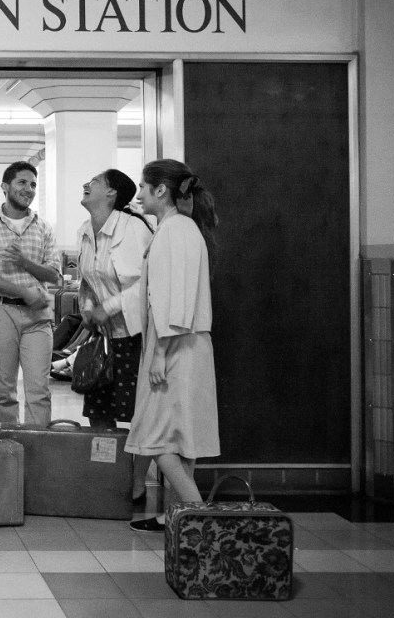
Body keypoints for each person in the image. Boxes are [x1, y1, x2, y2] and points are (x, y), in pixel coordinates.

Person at [125, 159, 220, 533]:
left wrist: (160, 354)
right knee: (182, 437)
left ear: (160, 190)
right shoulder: (180, 228)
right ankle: (173, 518)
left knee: (156, 436)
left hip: (174, 346)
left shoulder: (174, 231)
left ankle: (198, 515)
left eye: (143, 188)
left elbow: (171, 299)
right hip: (185, 343)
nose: (140, 195)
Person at [76, 169, 155, 505]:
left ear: (111, 194)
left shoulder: (133, 228)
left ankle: (137, 483)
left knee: (140, 414)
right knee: (99, 408)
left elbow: (144, 283)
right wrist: (88, 308)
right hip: (104, 338)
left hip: (134, 336)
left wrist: (106, 308)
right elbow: (88, 279)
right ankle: (109, 473)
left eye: (94, 181)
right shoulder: (84, 230)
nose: (86, 184)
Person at [0, 160, 61, 429]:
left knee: (39, 391)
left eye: (32, 184)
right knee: (4, 393)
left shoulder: (43, 227)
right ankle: (11, 450)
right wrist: (23, 291)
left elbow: (54, 274)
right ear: (5, 187)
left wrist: (24, 263)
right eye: (22, 182)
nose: (28, 189)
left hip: (38, 316)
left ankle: (37, 452)